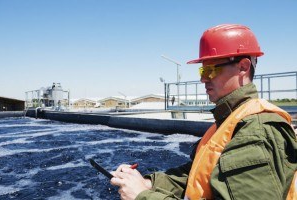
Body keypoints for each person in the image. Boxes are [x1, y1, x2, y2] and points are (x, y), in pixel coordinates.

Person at [110, 24, 297, 200]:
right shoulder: (230, 120)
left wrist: (143, 196)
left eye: (211, 70)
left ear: (243, 67)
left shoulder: (255, 131)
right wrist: (147, 183)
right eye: (202, 70)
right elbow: (198, 178)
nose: (203, 79)